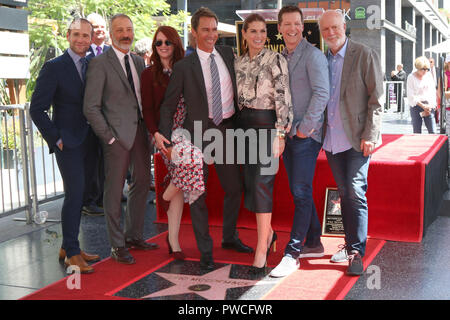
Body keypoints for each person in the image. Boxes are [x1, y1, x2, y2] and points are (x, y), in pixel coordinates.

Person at [156, 7, 253, 271]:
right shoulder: (184, 67)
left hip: (226, 131)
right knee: (198, 194)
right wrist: (166, 139)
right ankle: (206, 251)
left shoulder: (227, 54)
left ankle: (230, 237)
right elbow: (168, 105)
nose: (211, 34)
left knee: (234, 188)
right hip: (196, 136)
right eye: (205, 30)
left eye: (214, 29)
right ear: (194, 32)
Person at [83, 14, 159, 265]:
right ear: (111, 34)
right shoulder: (100, 64)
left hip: (140, 133)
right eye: (120, 30)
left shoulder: (138, 62)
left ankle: (134, 235)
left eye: (129, 29)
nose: (126, 34)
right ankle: (117, 245)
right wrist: (109, 138)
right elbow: (91, 107)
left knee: (142, 182)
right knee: (114, 191)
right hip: (115, 137)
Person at [30, 18, 100, 273]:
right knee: (75, 193)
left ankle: (68, 245)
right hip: (67, 143)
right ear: (68, 36)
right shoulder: (54, 67)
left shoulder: (93, 64)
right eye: (77, 34)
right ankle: (71, 253)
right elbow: (37, 110)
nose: (81, 40)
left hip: (91, 140)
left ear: (92, 39)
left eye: (86, 35)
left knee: (81, 195)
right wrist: (56, 138)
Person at [318, 10, 383, 276]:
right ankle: (349, 243)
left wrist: (371, 134)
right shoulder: (322, 59)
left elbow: (377, 99)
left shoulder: (364, 53)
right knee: (344, 192)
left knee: (355, 191)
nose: (331, 33)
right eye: (325, 29)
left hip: (357, 139)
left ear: (344, 26)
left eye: (335, 27)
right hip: (332, 141)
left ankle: (356, 250)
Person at [269, 6, 329, 278]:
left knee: (301, 191)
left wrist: (305, 130)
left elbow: (322, 93)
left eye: (296, 24)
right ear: (279, 28)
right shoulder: (281, 56)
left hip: (305, 135)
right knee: (299, 191)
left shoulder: (313, 55)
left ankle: (292, 253)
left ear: (303, 27)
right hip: (288, 134)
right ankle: (314, 241)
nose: (291, 28)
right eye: (286, 24)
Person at [234, 13, 292, 275]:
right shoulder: (239, 61)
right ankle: (269, 235)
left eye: (262, 32)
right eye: (253, 31)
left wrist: (280, 134)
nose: (258, 36)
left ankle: (261, 249)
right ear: (244, 34)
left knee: (262, 184)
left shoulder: (275, 58)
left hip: (268, 127)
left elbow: (283, 97)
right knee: (250, 184)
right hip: (244, 128)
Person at [141, 26, 205, 260]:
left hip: (187, 130)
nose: (163, 46)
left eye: (168, 42)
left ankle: (165, 197)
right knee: (186, 169)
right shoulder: (149, 74)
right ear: (154, 47)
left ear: (176, 44)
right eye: (158, 43)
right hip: (165, 134)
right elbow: (147, 108)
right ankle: (174, 242)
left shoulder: (186, 68)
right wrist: (155, 133)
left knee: (183, 174)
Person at [80, 13, 111, 217]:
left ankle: (102, 196)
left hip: (108, 116)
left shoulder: (110, 52)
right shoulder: (83, 54)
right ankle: (89, 200)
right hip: (88, 118)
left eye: (101, 26)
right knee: (90, 161)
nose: (99, 30)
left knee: (105, 160)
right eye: (95, 27)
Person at [407, 56, 437, 134]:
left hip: (428, 105)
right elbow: (411, 95)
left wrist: (431, 105)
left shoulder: (428, 76)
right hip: (416, 106)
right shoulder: (411, 77)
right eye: (423, 69)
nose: (425, 71)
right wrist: (422, 106)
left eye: (427, 69)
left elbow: (432, 91)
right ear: (417, 68)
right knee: (417, 131)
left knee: (433, 131)